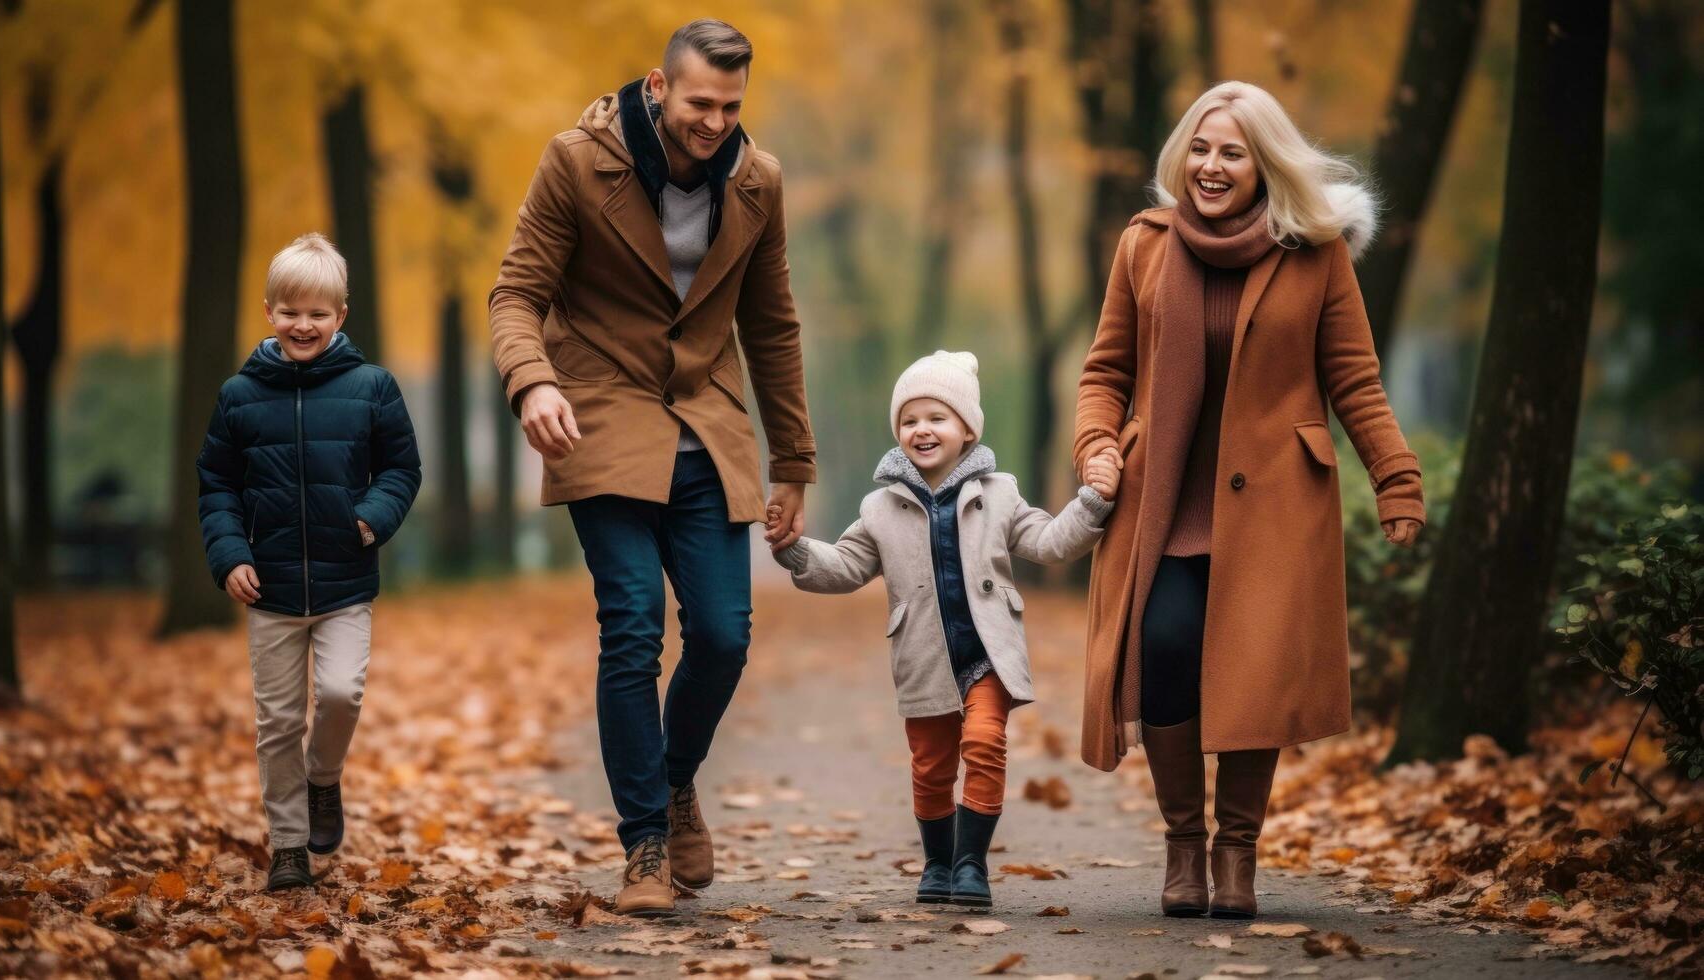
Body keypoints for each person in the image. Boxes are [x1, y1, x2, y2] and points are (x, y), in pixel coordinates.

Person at [1074, 80, 1426, 920]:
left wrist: (1396, 478)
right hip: (1164, 503)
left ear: (1263, 164)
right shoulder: (1145, 246)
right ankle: (1183, 844)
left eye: (1230, 151)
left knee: (1252, 673)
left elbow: (1354, 380)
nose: (1209, 165)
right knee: (1161, 651)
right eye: (1198, 148)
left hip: (1272, 507)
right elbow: (1105, 372)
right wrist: (1095, 446)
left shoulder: (1316, 251)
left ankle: (1237, 853)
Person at [487, 19, 815, 917]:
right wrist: (532, 384)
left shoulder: (757, 183)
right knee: (631, 623)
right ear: (658, 87)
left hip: (706, 423)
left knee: (722, 633)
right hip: (599, 414)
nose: (714, 122)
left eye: (731, 106)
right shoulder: (575, 162)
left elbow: (772, 323)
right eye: (700, 102)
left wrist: (793, 461)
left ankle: (673, 783)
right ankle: (643, 846)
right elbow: (517, 292)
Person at [772, 351, 1119, 910]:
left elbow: (1052, 543)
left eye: (937, 417)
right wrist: (793, 550)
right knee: (932, 767)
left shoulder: (1000, 494)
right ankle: (938, 861)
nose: (922, 430)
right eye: (909, 420)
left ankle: (971, 864)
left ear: (966, 429)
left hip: (987, 651)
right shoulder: (879, 508)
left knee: (984, 744)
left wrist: (1094, 502)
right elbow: (844, 567)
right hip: (924, 654)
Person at [197, 233, 421, 891]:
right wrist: (229, 553)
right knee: (277, 722)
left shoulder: (372, 387)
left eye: (318, 313)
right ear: (270, 312)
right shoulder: (239, 396)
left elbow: (403, 467)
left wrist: (375, 515)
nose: (304, 324)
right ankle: (289, 845)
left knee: (340, 693)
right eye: (291, 311)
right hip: (267, 588)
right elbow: (216, 484)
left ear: (340, 316)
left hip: (344, 582)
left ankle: (324, 777)